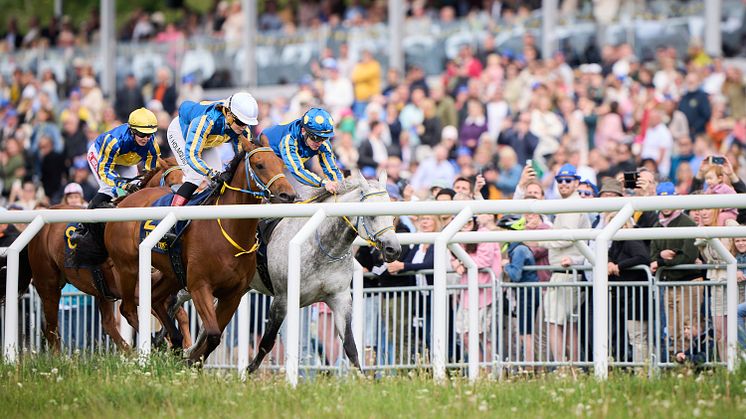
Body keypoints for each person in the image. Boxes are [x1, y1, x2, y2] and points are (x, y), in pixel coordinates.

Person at [70, 107, 160, 243]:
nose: (146, 138)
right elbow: (105, 170)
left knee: (137, 187)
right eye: (142, 134)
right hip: (101, 155)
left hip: (126, 160)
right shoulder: (114, 141)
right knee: (109, 189)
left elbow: (151, 170)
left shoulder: (151, 143)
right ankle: (83, 227)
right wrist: (121, 184)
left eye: (150, 134)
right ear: (132, 130)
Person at [167, 92, 259, 206]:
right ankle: (172, 216)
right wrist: (212, 173)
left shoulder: (243, 128)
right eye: (240, 123)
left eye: (247, 124)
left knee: (219, 180)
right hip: (181, 135)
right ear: (228, 114)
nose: (243, 127)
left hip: (207, 143)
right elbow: (192, 155)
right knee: (195, 177)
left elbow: (244, 158)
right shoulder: (206, 120)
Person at [538, 164, 590, 363]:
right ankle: (572, 368)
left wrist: (541, 241)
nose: (563, 184)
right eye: (560, 180)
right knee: (569, 324)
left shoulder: (571, 205)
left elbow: (566, 237)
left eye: (568, 180)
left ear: (576, 183)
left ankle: (563, 367)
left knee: (554, 323)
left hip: (565, 272)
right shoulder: (570, 204)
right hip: (568, 272)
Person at [649, 182, 704, 358]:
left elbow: (688, 256)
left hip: (689, 283)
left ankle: (691, 364)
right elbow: (653, 256)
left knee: (688, 327)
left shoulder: (687, 222)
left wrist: (662, 262)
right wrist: (662, 258)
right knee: (672, 329)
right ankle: (676, 367)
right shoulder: (657, 226)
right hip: (670, 284)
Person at [260, 107, 342, 194]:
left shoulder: (323, 143)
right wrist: (323, 183)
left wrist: (340, 185)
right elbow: (297, 170)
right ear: (303, 131)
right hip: (268, 161)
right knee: (294, 193)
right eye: (315, 137)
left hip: (286, 164)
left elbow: (332, 170)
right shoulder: (289, 139)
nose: (319, 142)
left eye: (324, 138)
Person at [498, 215, 540, 366]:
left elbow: (515, 274)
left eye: (503, 231)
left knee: (525, 331)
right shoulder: (518, 247)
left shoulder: (519, 249)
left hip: (527, 293)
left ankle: (529, 366)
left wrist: (505, 265)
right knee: (525, 330)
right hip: (526, 292)